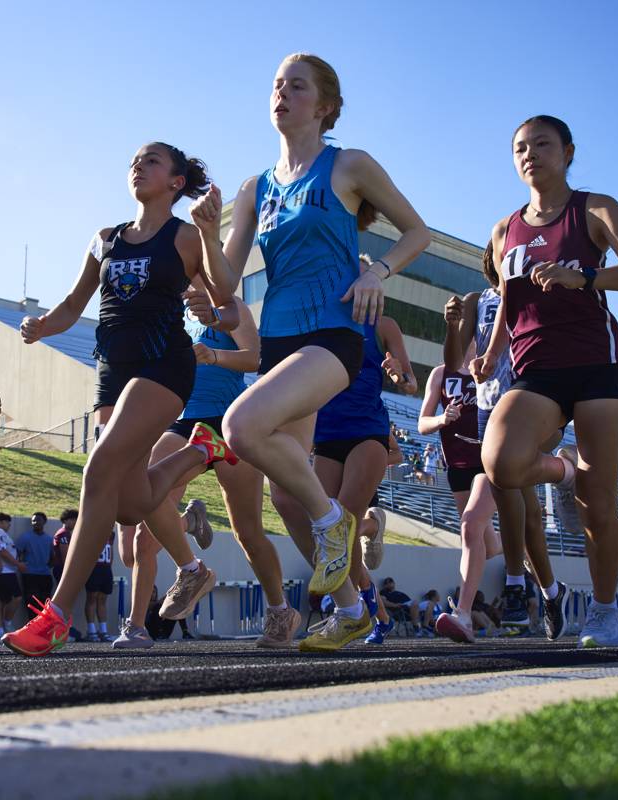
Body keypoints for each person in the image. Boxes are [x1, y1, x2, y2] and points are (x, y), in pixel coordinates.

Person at [194, 53, 431, 652]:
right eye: (275, 85)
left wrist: (377, 271)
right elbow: (225, 283)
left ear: (324, 105)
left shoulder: (347, 165)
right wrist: (202, 229)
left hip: (335, 333)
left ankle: (335, 526)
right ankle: (353, 612)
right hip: (278, 339)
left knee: (241, 426)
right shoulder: (255, 188)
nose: (282, 94)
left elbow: (416, 231)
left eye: (296, 86)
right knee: (283, 495)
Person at [5, 142, 236, 658]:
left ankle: (56, 617)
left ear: (176, 183)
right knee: (130, 505)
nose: (139, 165)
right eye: (135, 159)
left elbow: (228, 297)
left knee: (98, 469)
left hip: (162, 364)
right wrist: (42, 327)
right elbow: (72, 305)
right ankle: (202, 452)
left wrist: (212, 237)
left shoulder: (185, 237)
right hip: (111, 370)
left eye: (151, 160)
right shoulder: (105, 239)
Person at [472, 115, 618, 649]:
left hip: (597, 364)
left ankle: (602, 612)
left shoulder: (595, 208)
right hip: (535, 368)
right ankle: (561, 467)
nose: (530, 154)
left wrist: (587, 277)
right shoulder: (504, 227)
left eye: (542, 144)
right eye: (520, 148)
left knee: (598, 505)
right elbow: (508, 298)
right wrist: (488, 353)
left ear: (568, 152)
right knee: (502, 463)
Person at [115, 277, 298, 650]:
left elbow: (255, 358)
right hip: (184, 421)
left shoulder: (230, 308)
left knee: (247, 533)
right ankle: (171, 590)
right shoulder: (175, 314)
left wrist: (212, 355)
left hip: (230, 422)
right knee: (145, 499)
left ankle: (280, 610)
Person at [272, 261, 417, 647]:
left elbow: (409, 382)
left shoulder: (383, 326)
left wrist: (398, 373)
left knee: (342, 527)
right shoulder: (319, 322)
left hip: (368, 432)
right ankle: (376, 614)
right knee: (331, 534)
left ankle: (356, 610)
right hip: (326, 436)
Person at [442, 243, 569, 639]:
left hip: (532, 403)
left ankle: (564, 469)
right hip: (488, 409)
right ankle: (550, 591)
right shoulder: (478, 299)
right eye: (499, 250)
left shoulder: (537, 290)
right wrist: (451, 325)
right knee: (526, 510)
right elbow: (452, 362)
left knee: (518, 504)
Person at [419, 362, 502, 644]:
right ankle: (522, 545)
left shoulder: (494, 362)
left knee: (469, 527)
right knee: (488, 545)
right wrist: (442, 419)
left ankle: (463, 614)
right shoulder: (440, 373)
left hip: (488, 460)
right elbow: (422, 423)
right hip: (457, 467)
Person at [0, 513, 24, 641]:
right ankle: (6, 624)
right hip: (4, 571)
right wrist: (18, 564)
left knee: (0, 601)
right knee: (15, 597)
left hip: (5, 571)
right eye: (7, 522)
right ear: (1, 522)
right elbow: (1, 550)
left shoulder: (1, 533)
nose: (9, 525)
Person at [16, 511, 54, 618]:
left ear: (44, 522)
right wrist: (21, 565)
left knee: (45, 604)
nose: (35, 522)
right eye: (33, 521)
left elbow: (53, 557)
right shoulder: (25, 537)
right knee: (31, 603)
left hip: (45, 576)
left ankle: (42, 628)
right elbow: (16, 553)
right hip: (29, 575)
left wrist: (46, 567)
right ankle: (32, 627)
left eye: (38, 520)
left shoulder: (49, 539)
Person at [84, 530, 115, 642]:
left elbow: (111, 554)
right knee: (91, 598)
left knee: (102, 600)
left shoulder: (109, 535)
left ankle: (103, 630)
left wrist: (108, 569)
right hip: (94, 569)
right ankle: (91, 630)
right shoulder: (91, 532)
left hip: (105, 570)